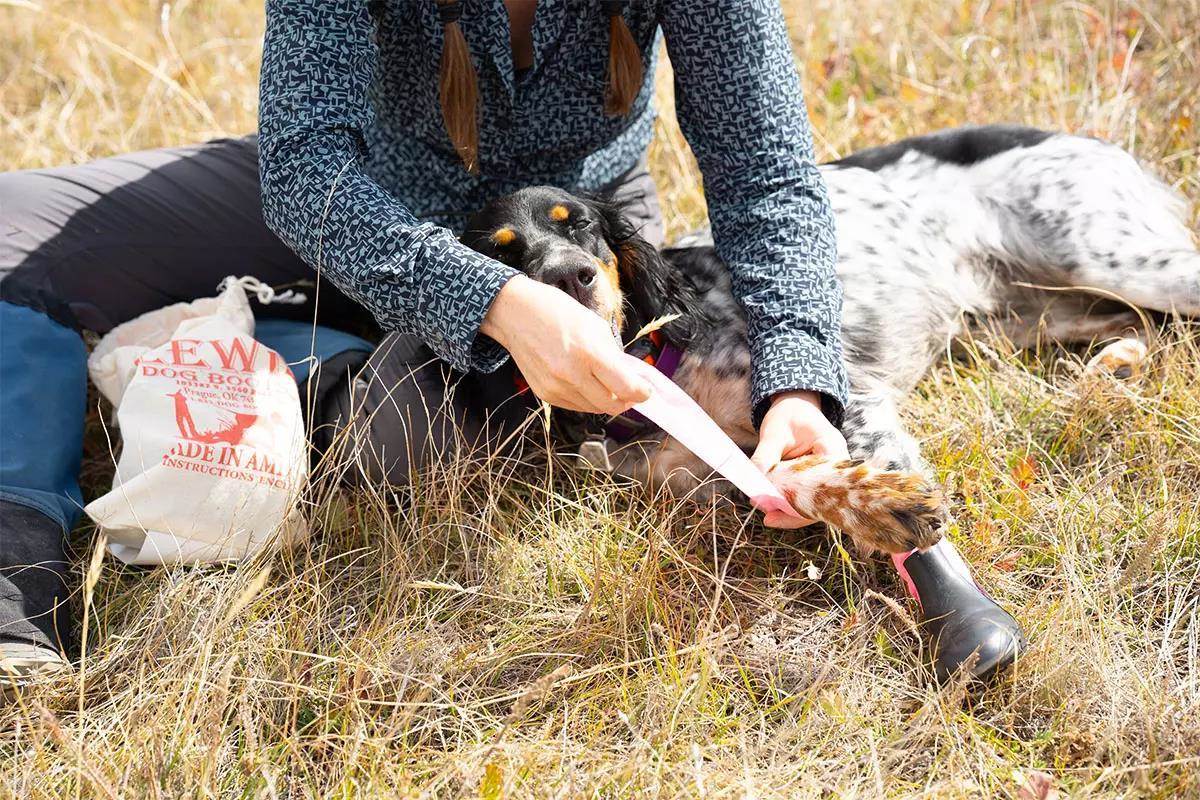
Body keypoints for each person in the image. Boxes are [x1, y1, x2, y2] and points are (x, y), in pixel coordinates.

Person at [0, 1, 1019, 687]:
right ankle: (14, 573)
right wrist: (488, 300)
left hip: (574, 232)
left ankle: (287, 352)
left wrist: (799, 388)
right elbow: (309, 172)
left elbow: (767, 178)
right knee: (12, 233)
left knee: (422, 445)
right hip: (356, 205)